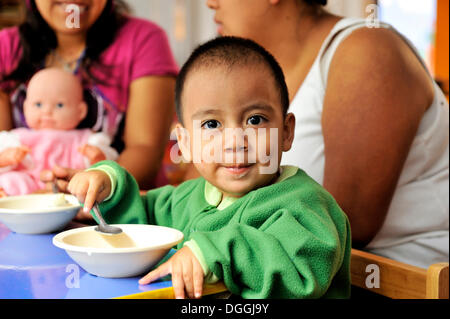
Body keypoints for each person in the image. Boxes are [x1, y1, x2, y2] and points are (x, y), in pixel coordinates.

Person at [67, 37, 351, 299]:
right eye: (212, 124)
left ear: (286, 132)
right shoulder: (188, 197)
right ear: (185, 143)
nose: (235, 142)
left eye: (255, 120)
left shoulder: (305, 203)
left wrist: (210, 253)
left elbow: (301, 266)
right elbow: (143, 219)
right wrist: (109, 185)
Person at [206, 0, 449, 269]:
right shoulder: (255, 77)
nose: (210, 3)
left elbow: (343, 226)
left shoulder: (367, 50)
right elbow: (200, 188)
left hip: (397, 285)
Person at [0, 0, 178, 201]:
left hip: (116, 211)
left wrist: (85, 190)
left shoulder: (144, 39)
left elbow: (145, 150)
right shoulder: (5, 47)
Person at [0, 68, 118, 197]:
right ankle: (5, 195)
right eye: (38, 104)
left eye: (60, 105)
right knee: (11, 179)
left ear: (81, 111)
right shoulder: (18, 137)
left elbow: (111, 161)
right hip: (30, 185)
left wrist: (98, 157)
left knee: (88, 183)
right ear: (26, 107)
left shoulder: (85, 138)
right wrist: (5, 159)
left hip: (69, 185)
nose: (47, 111)